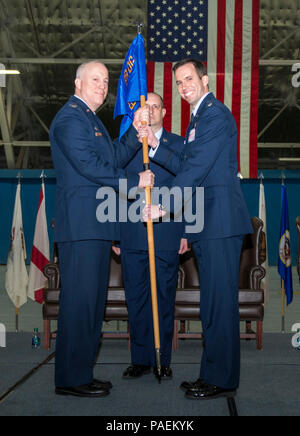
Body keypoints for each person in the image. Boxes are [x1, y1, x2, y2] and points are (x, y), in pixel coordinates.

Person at [142, 59, 253, 400]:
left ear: (205, 79)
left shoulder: (215, 114)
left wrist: (166, 206)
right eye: (178, 82)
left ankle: (222, 379)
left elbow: (198, 168)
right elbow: (186, 165)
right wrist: (156, 144)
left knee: (219, 303)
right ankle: (211, 373)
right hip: (207, 224)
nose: (183, 85)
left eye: (189, 78)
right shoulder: (199, 118)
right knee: (212, 304)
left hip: (219, 222)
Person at [49, 61, 154, 398]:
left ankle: (81, 372)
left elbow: (111, 157)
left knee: (92, 306)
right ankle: (70, 379)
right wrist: (136, 182)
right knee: (79, 305)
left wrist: (136, 134)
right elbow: (91, 168)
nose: (102, 85)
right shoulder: (69, 118)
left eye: (106, 80)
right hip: (80, 227)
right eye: (95, 79)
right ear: (77, 83)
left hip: (95, 227)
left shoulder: (90, 120)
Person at [115, 92, 187, 380]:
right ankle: (140, 359)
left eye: (156, 106)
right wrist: (116, 236)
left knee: (163, 297)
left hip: (167, 233)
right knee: (137, 297)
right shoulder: (128, 144)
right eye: (147, 107)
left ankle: (162, 358)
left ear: (164, 112)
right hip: (132, 233)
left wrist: (185, 233)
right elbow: (116, 190)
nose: (152, 111)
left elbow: (187, 188)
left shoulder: (179, 144)